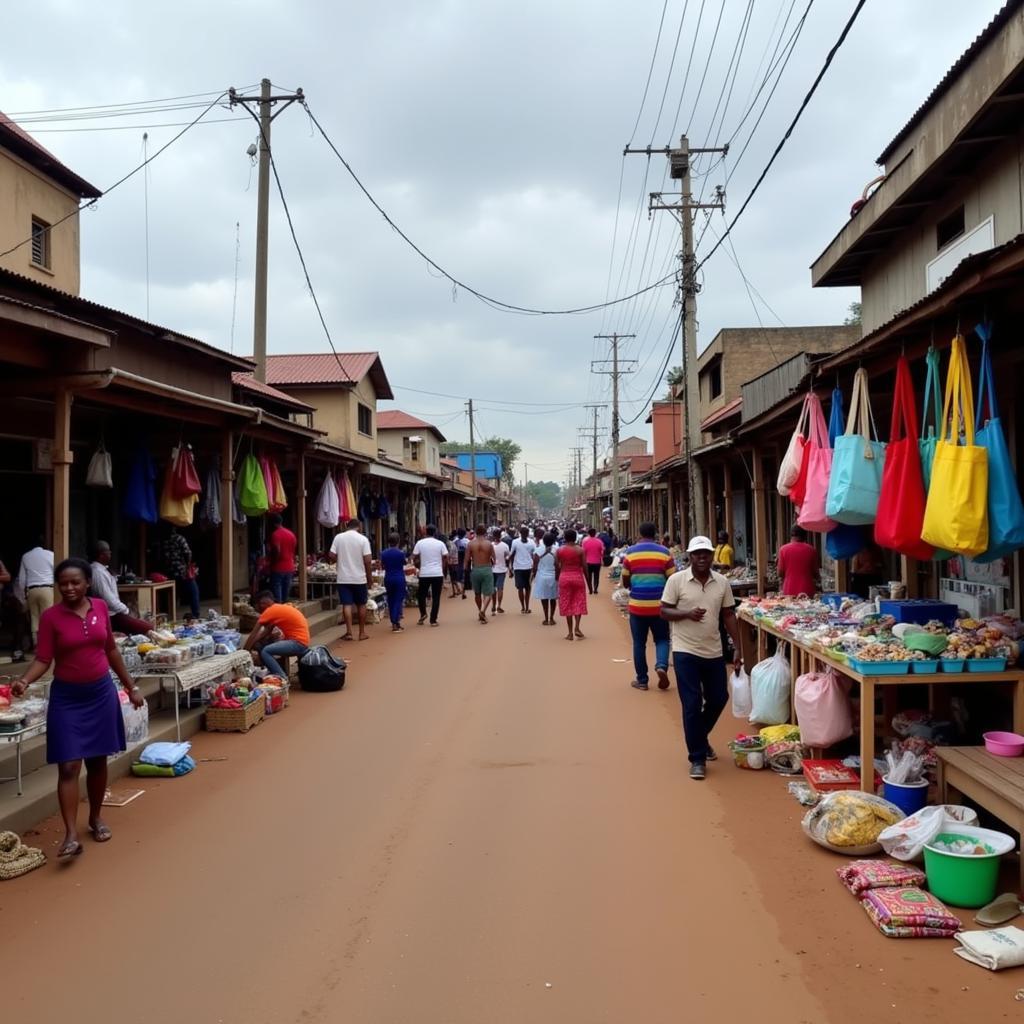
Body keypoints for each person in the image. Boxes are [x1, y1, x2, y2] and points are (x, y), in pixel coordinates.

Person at [11, 558, 144, 859]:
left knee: (97, 761)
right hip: (67, 699)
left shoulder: (99, 608)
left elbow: (110, 649)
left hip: (100, 694)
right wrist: (24, 680)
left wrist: (130, 686)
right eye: (63, 583)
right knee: (69, 765)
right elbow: (44, 658)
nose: (69, 588)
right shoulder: (51, 617)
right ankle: (71, 834)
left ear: (87, 584)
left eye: (75, 582)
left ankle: (96, 818)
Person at [660, 537, 743, 781]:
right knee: (692, 703)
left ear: (711, 555)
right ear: (690, 557)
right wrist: (686, 613)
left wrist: (738, 648)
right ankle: (697, 757)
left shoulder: (722, 582)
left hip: (713, 650)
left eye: (705, 553)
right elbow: (663, 610)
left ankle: (699, 735)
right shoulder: (677, 580)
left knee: (719, 698)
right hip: (685, 650)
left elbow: (728, 614)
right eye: (697, 554)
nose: (702, 558)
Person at [620, 522, 675, 692]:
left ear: (639, 534)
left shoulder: (630, 553)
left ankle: (642, 680)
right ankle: (661, 666)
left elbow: (625, 579)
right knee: (662, 639)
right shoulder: (665, 553)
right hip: (660, 606)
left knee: (639, 643)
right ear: (655, 534)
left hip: (637, 606)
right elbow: (673, 579)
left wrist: (633, 586)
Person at [90, 541, 152, 636]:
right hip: (111, 615)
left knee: (145, 623)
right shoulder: (97, 572)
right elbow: (108, 600)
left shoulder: (103, 569)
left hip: (116, 612)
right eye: (108, 552)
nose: (110, 554)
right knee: (148, 628)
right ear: (101, 555)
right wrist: (126, 611)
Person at [244, 590, 310, 678]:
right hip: (301, 641)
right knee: (262, 644)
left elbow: (253, 634)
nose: (257, 609)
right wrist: (254, 644)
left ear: (262, 604)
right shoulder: (278, 608)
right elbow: (265, 632)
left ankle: (281, 677)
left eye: (257, 606)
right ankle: (273, 669)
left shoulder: (269, 611)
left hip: (297, 643)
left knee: (266, 651)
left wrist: (244, 652)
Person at [328, 519, 373, 641]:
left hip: (343, 578)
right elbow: (368, 560)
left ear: (347, 526)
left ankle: (349, 632)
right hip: (359, 578)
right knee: (361, 604)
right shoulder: (363, 539)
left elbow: (331, 555)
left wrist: (340, 559)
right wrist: (370, 579)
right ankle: (362, 632)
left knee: (346, 604)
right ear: (359, 526)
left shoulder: (339, 537)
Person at [16, 537, 54, 648]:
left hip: (32, 590)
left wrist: (24, 595)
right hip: (47, 589)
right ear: (44, 544)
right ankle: (48, 644)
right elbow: (56, 572)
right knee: (47, 617)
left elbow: (22, 579)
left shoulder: (26, 556)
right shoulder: (50, 554)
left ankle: (37, 644)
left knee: (34, 618)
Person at [555, 528, 588, 640]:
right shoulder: (580, 550)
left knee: (567, 603)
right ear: (575, 538)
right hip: (578, 577)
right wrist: (589, 582)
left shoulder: (559, 550)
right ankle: (577, 627)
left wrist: (557, 578)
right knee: (578, 601)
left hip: (564, 577)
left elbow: (556, 566)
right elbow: (584, 566)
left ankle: (569, 633)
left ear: (564, 538)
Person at [413, 525, 448, 626]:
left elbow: (414, 557)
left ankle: (423, 613)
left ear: (425, 532)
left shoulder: (420, 543)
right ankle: (433, 620)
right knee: (436, 597)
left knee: (421, 595)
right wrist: (442, 567)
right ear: (435, 532)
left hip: (424, 573)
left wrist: (418, 566)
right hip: (437, 573)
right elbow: (446, 556)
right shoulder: (440, 543)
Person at [162, 527, 200, 618]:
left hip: (170, 572)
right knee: (193, 592)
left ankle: (170, 616)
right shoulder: (179, 538)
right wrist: (188, 566)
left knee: (173, 594)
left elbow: (163, 557)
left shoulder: (164, 541)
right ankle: (195, 615)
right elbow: (188, 553)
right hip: (182, 572)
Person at [777, 525, 820, 597]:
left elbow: (780, 573)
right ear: (804, 535)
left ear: (790, 535)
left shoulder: (783, 550)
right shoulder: (811, 550)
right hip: (807, 590)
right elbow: (816, 574)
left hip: (789, 590)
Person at [466, 525, 495, 624]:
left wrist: (466, 571)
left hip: (475, 569)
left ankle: (480, 612)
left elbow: (466, 560)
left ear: (475, 532)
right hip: (486, 569)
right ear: (485, 533)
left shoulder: (470, 544)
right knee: (489, 594)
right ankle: (483, 611)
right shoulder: (489, 544)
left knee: (477, 593)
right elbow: (494, 559)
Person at [267, 514, 298, 604]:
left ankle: (279, 608)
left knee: (277, 590)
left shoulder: (275, 535)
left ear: (273, 524)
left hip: (278, 567)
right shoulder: (291, 534)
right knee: (286, 590)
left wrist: (273, 562)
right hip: (289, 566)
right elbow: (293, 549)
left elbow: (277, 550)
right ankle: (285, 608)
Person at [380, 533, 408, 631]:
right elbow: (404, 563)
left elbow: (382, 566)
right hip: (399, 578)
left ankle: (394, 621)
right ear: (398, 541)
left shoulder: (383, 553)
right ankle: (395, 621)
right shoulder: (401, 553)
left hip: (388, 578)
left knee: (391, 599)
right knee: (398, 600)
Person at [531, 531, 559, 625]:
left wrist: (534, 576)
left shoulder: (538, 550)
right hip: (554, 576)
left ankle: (546, 618)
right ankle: (551, 618)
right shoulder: (557, 550)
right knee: (553, 598)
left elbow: (535, 565)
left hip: (542, 576)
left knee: (544, 598)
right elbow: (559, 565)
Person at [509, 526, 536, 614]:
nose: (525, 535)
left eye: (526, 533)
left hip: (527, 567)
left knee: (526, 588)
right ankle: (524, 607)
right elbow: (512, 554)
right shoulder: (515, 542)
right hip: (518, 567)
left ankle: (526, 607)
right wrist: (511, 568)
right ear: (521, 534)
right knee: (521, 588)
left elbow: (534, 555)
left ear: (528, 534)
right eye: (524, 533)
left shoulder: (531, 542)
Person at [491, 529, 510, 614]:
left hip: (492, 569)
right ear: (500, 536)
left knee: (493, 588)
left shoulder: (491, 545)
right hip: (502, 569)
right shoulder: (505, 546)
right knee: (500, 588)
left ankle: (493, 606)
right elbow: (507, 558)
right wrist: (509, 568)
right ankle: (499, 606)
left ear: (493, 536)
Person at [581, 527, 605, 595]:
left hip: (588, 562)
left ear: (588, 534)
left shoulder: (585, 542)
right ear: (595, 533)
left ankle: (590, 589)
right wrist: (602, 559)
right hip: (597, 562)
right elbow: (602, 551)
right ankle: (595, 589)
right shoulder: (599, 541)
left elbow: (583, 552)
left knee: (589, 576)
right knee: (596, 576)